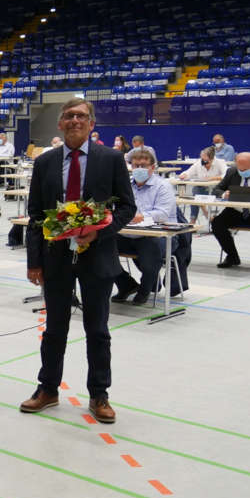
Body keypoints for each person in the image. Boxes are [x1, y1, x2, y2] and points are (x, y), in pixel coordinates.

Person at [21, 98, 136, 424]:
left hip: (97, 255)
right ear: (60, 123)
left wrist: (99, 233)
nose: (74, 120)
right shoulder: (45, 163)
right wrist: (34, 261)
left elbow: (127, 207)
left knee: (97, 329)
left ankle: (99, 395)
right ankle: (48, 389)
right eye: (69, 116)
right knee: (54, 329)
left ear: (91, 124)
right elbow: (34, 216)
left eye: (81, 116)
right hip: (55, 256)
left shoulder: (111, 159)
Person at [111, 149, 177, 304]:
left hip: (156, 235)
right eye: (136, 165)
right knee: (100, 246)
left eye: (144, 165)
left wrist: (142, 216)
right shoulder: (125, 185)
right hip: (128, 233)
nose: (139, 168)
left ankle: (145, 288)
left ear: (152, 167)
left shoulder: (163, 186)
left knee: (150, 254)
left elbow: (163, 214)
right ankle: (126, 284)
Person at [211, 151, 250, 268]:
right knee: (217, 223)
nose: (241, 171)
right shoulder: (232, 171)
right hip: (235, 212)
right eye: (239, 168)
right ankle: (232, 256)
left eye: (245, 169)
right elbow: (216, 189)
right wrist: (224, 194)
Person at [179, 146, 226, 224]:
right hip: (202, 188)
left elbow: (227, 174)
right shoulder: (198, 163)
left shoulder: (220, 162)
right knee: (196, 191)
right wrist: (184, 175)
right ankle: (196, 218)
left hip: (216, 189)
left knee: (197, 194)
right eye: (202, 159)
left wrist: (213, 178)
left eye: (205, 160)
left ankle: (203, 215)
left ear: (212, 159)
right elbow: (189, 172)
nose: (203, 162)